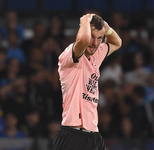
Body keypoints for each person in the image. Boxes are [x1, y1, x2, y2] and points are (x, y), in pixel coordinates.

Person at [54, 13, 122, 150]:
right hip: (72, 134)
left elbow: (117, 42)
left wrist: (106, 28)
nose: (95, 43)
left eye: (99, 38)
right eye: (92, 36)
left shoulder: (96, 55)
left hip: (94, 135)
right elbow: (83, 41)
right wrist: (85, 20)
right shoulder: (69, 55)